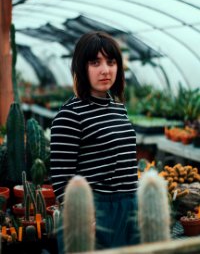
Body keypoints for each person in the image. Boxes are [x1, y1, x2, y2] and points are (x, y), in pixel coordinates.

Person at [50, 31, 139, 252]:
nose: (105, 70)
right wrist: (82, 218)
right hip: (95, 212)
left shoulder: (119, 108)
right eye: (95, 62)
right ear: (81, 67)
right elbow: (61, 178)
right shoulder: (70, 115)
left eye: (111, 62)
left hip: (129, 208)